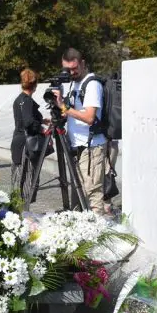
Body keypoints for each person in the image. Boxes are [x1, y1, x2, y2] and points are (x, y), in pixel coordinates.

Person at [53, 47, 107, 214]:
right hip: (76, 146)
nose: (71, 72)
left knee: (92, 192)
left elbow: (90, 117)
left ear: (83, 63)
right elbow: (72, 111)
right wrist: (60, 110)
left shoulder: (92, 85)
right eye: (67, 69)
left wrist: (64, 107)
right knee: (77, 191)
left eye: (74, 68)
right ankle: (80, 227)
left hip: (91, 147)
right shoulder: (73, 84)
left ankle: (99, 232)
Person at [10, 69, 50, 202]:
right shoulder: (26, 101)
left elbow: (24, 118)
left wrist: (41, 120)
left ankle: (19, 211)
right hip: (27, 144)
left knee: (19, 178)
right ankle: (24, 212)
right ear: (35, 85)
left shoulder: (19, 99)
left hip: (19, 141)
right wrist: (42, 129)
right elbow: (28, 122)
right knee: (27, 179)